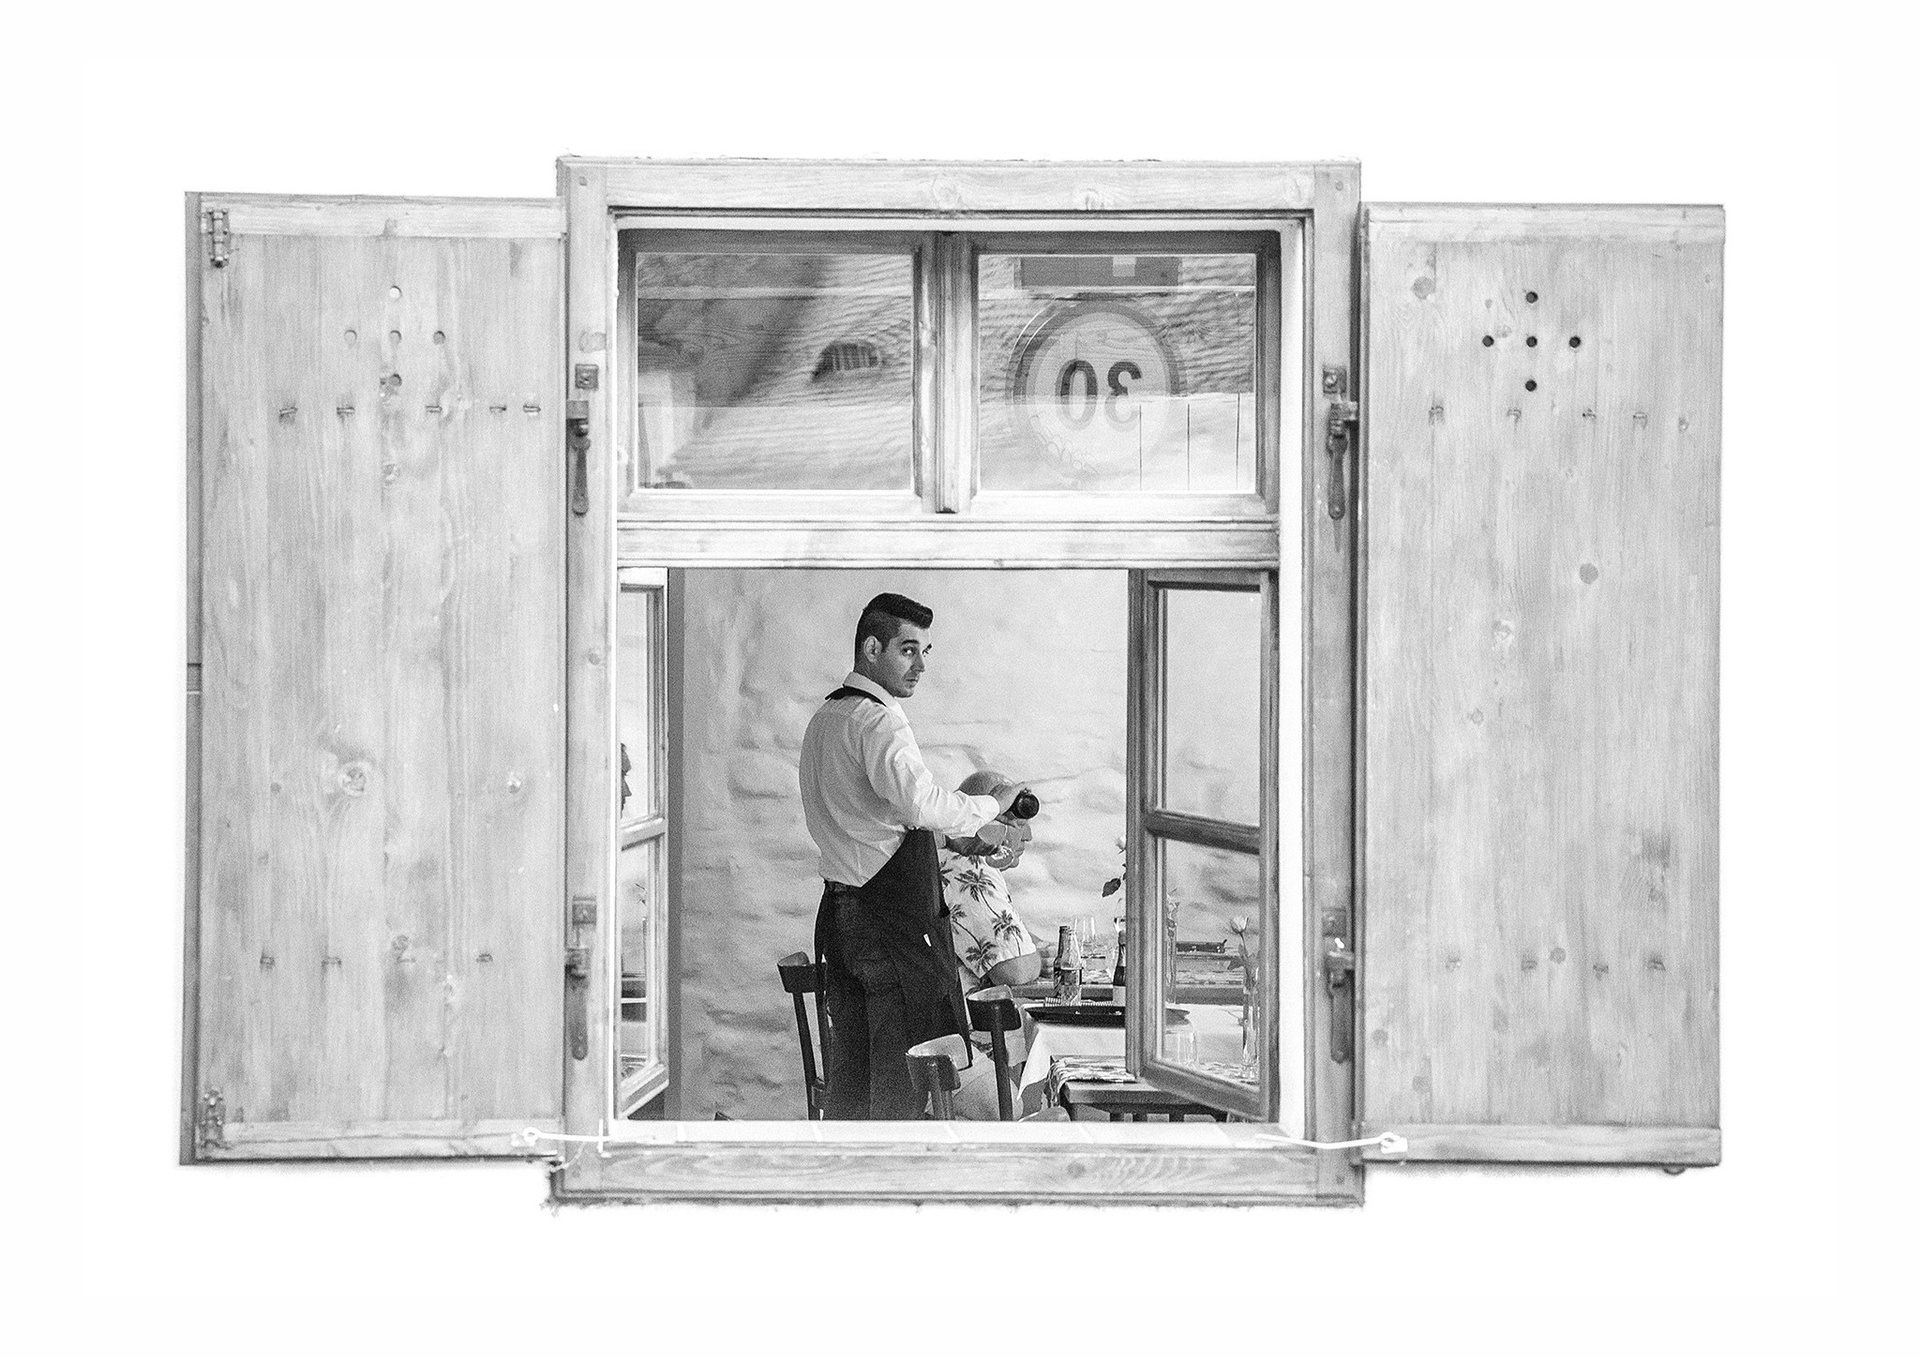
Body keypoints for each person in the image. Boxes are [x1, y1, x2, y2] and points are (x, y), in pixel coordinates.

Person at [799, 592, 1029, 1119]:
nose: (920, 666)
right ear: (871, 648)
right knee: (898, 1083)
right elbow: (920, 804)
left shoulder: (826, 717)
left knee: (852, 1079)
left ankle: (848, 1169)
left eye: (925, 651)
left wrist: (953, 840)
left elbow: (873, 826)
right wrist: (994, 803)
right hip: (886, 924)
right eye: (907, 650)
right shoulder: (877, 720)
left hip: (840, 917)